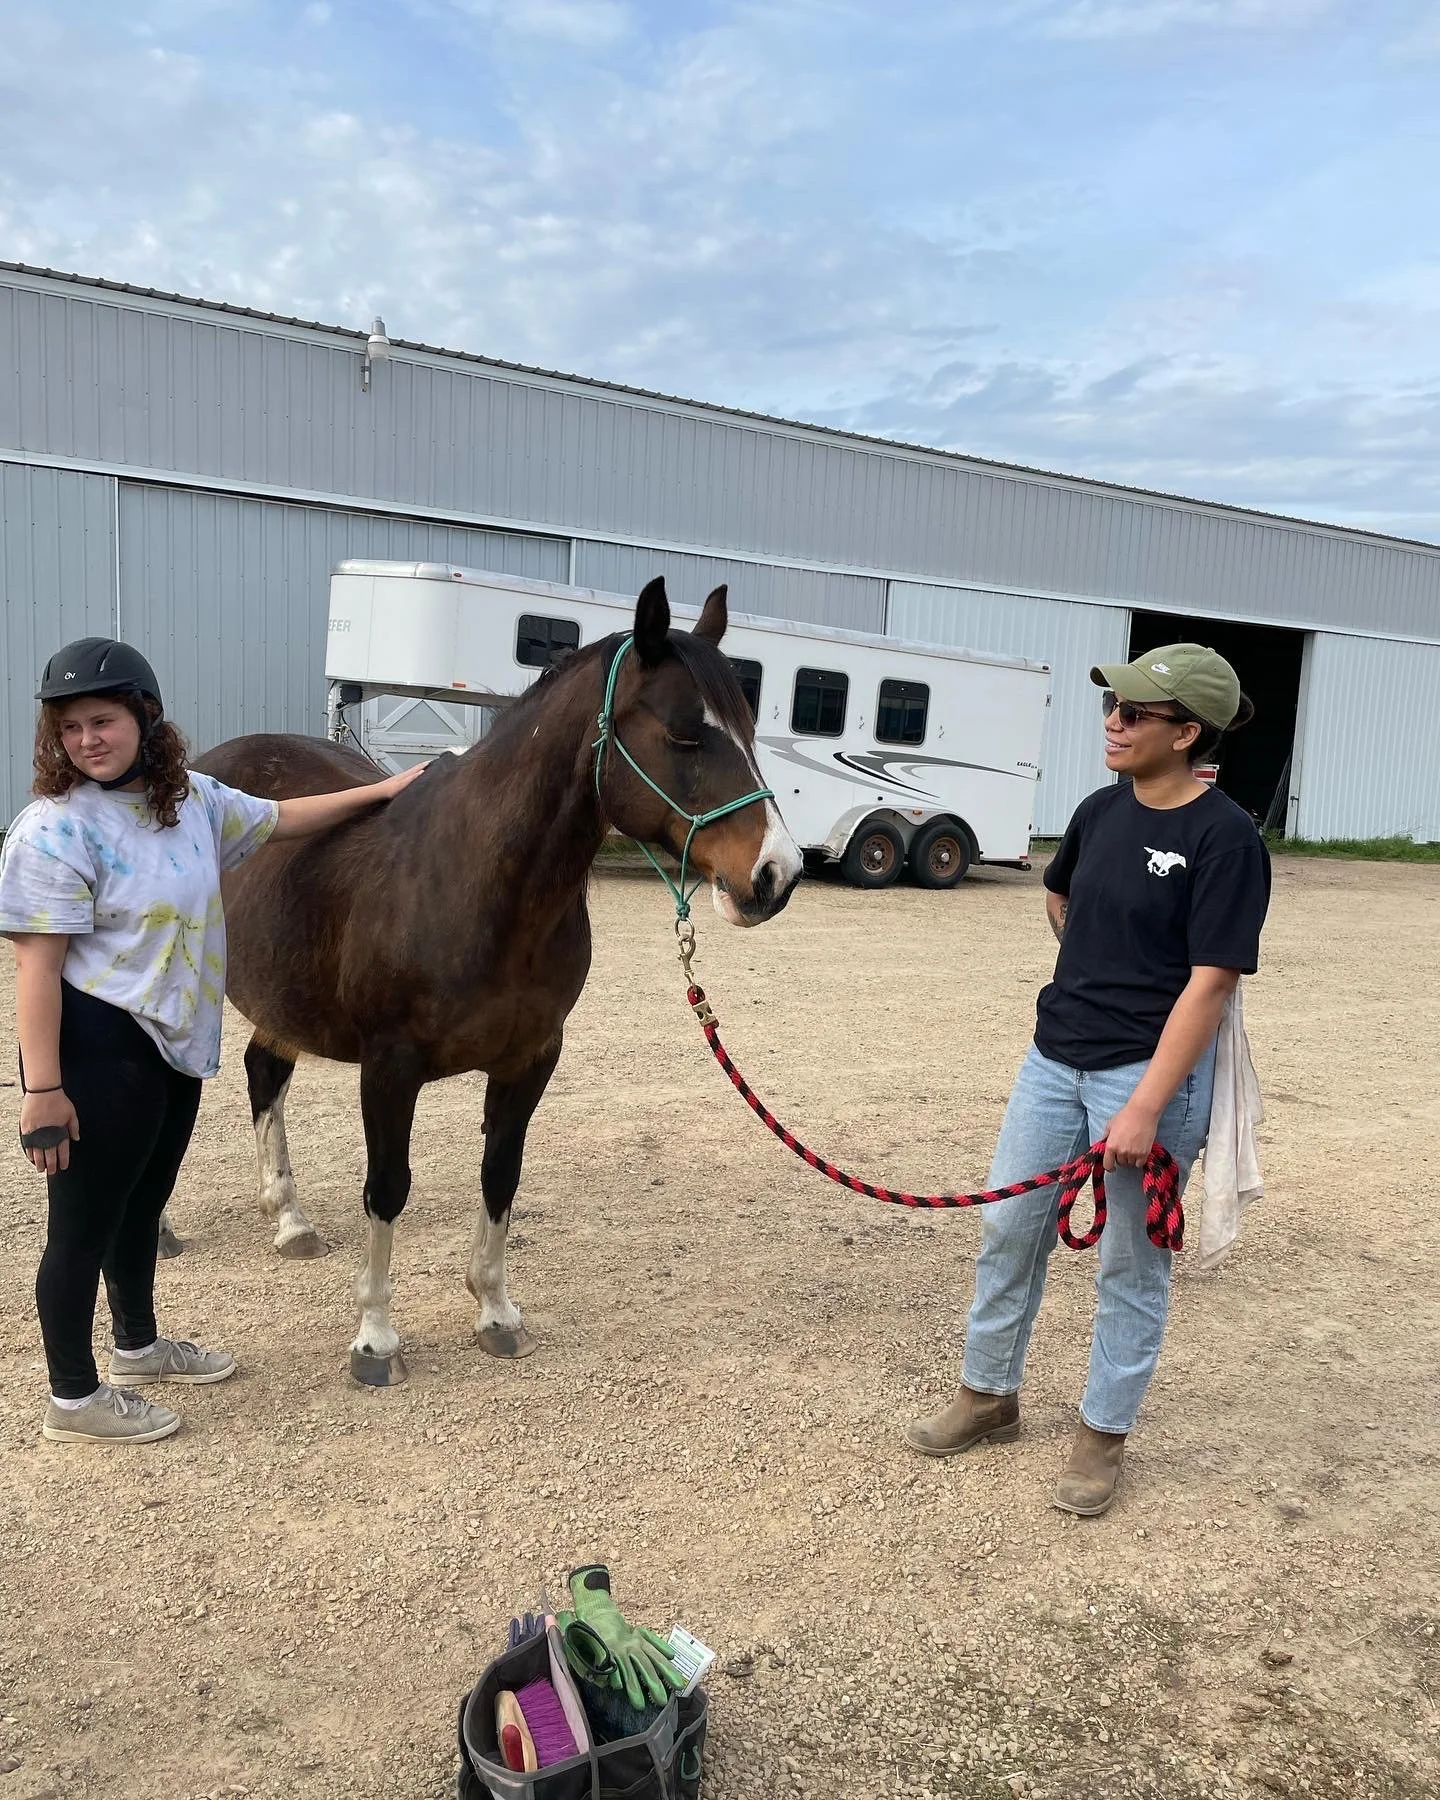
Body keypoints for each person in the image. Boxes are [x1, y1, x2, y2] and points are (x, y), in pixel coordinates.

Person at [0, 638, 425, 1446]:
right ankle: (72, 1398)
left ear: (145, 720)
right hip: (99, 1043)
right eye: (71, 726)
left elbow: (284, 817)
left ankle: (137, 1347)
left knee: (141, 1206)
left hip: (175, 1044)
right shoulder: (52, 832)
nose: (87, 739)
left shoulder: (189, 801)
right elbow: (36, 973)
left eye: (104, 720)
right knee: (81, 1227)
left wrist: (392, 788)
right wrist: (43, 1091)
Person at [904, 643, 1271, 1516]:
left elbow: (1212, 985)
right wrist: (1092, 962)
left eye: (1135, 713)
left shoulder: (1224, 839)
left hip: (1146, 1079)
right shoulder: (1101, 811)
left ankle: (1102, 1437)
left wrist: (1145, 1105)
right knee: (1008, 1225)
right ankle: (989, 1394)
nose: (1113, 721)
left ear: (1186, 733)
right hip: (1052, 1057)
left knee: (1129, 1265)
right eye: (1111, 706)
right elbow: (1060, 897)